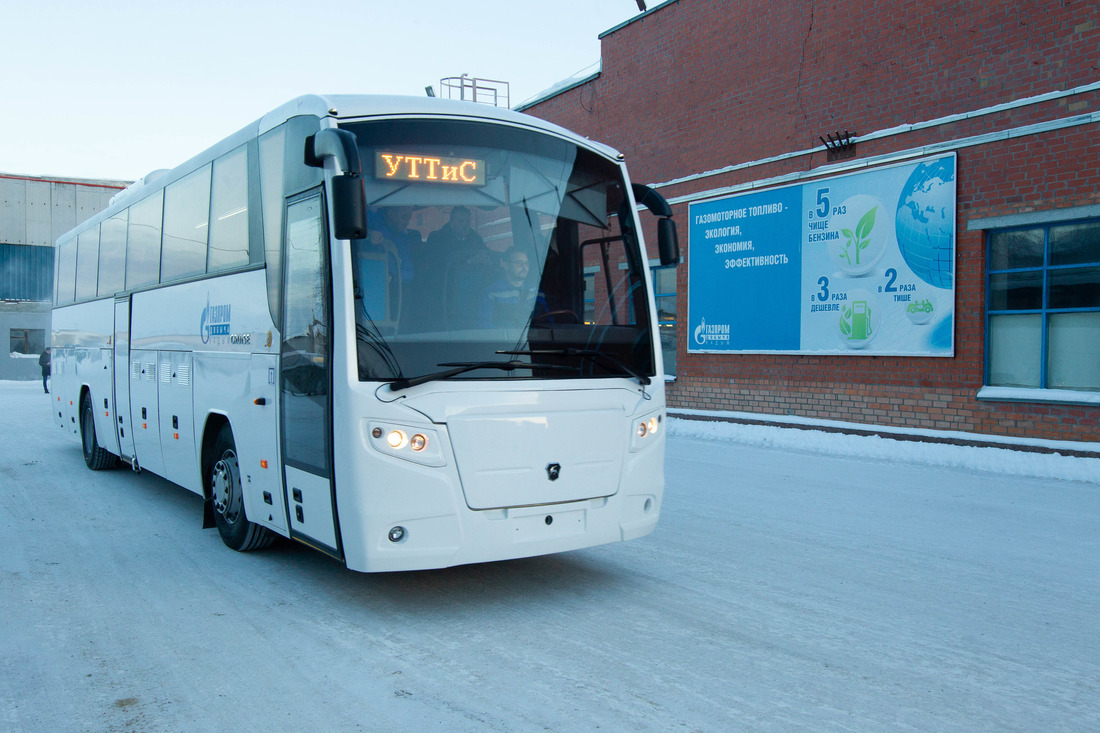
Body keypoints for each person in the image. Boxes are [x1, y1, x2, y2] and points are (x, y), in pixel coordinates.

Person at [478, 248, 546, 327]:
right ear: (506, 265)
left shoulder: (537, 293)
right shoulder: (491, 293)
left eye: (526, 263)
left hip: (531, 338)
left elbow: (547, 321)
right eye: (519, 263)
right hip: (504, 339)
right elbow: (484, 324)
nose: (524, 266)